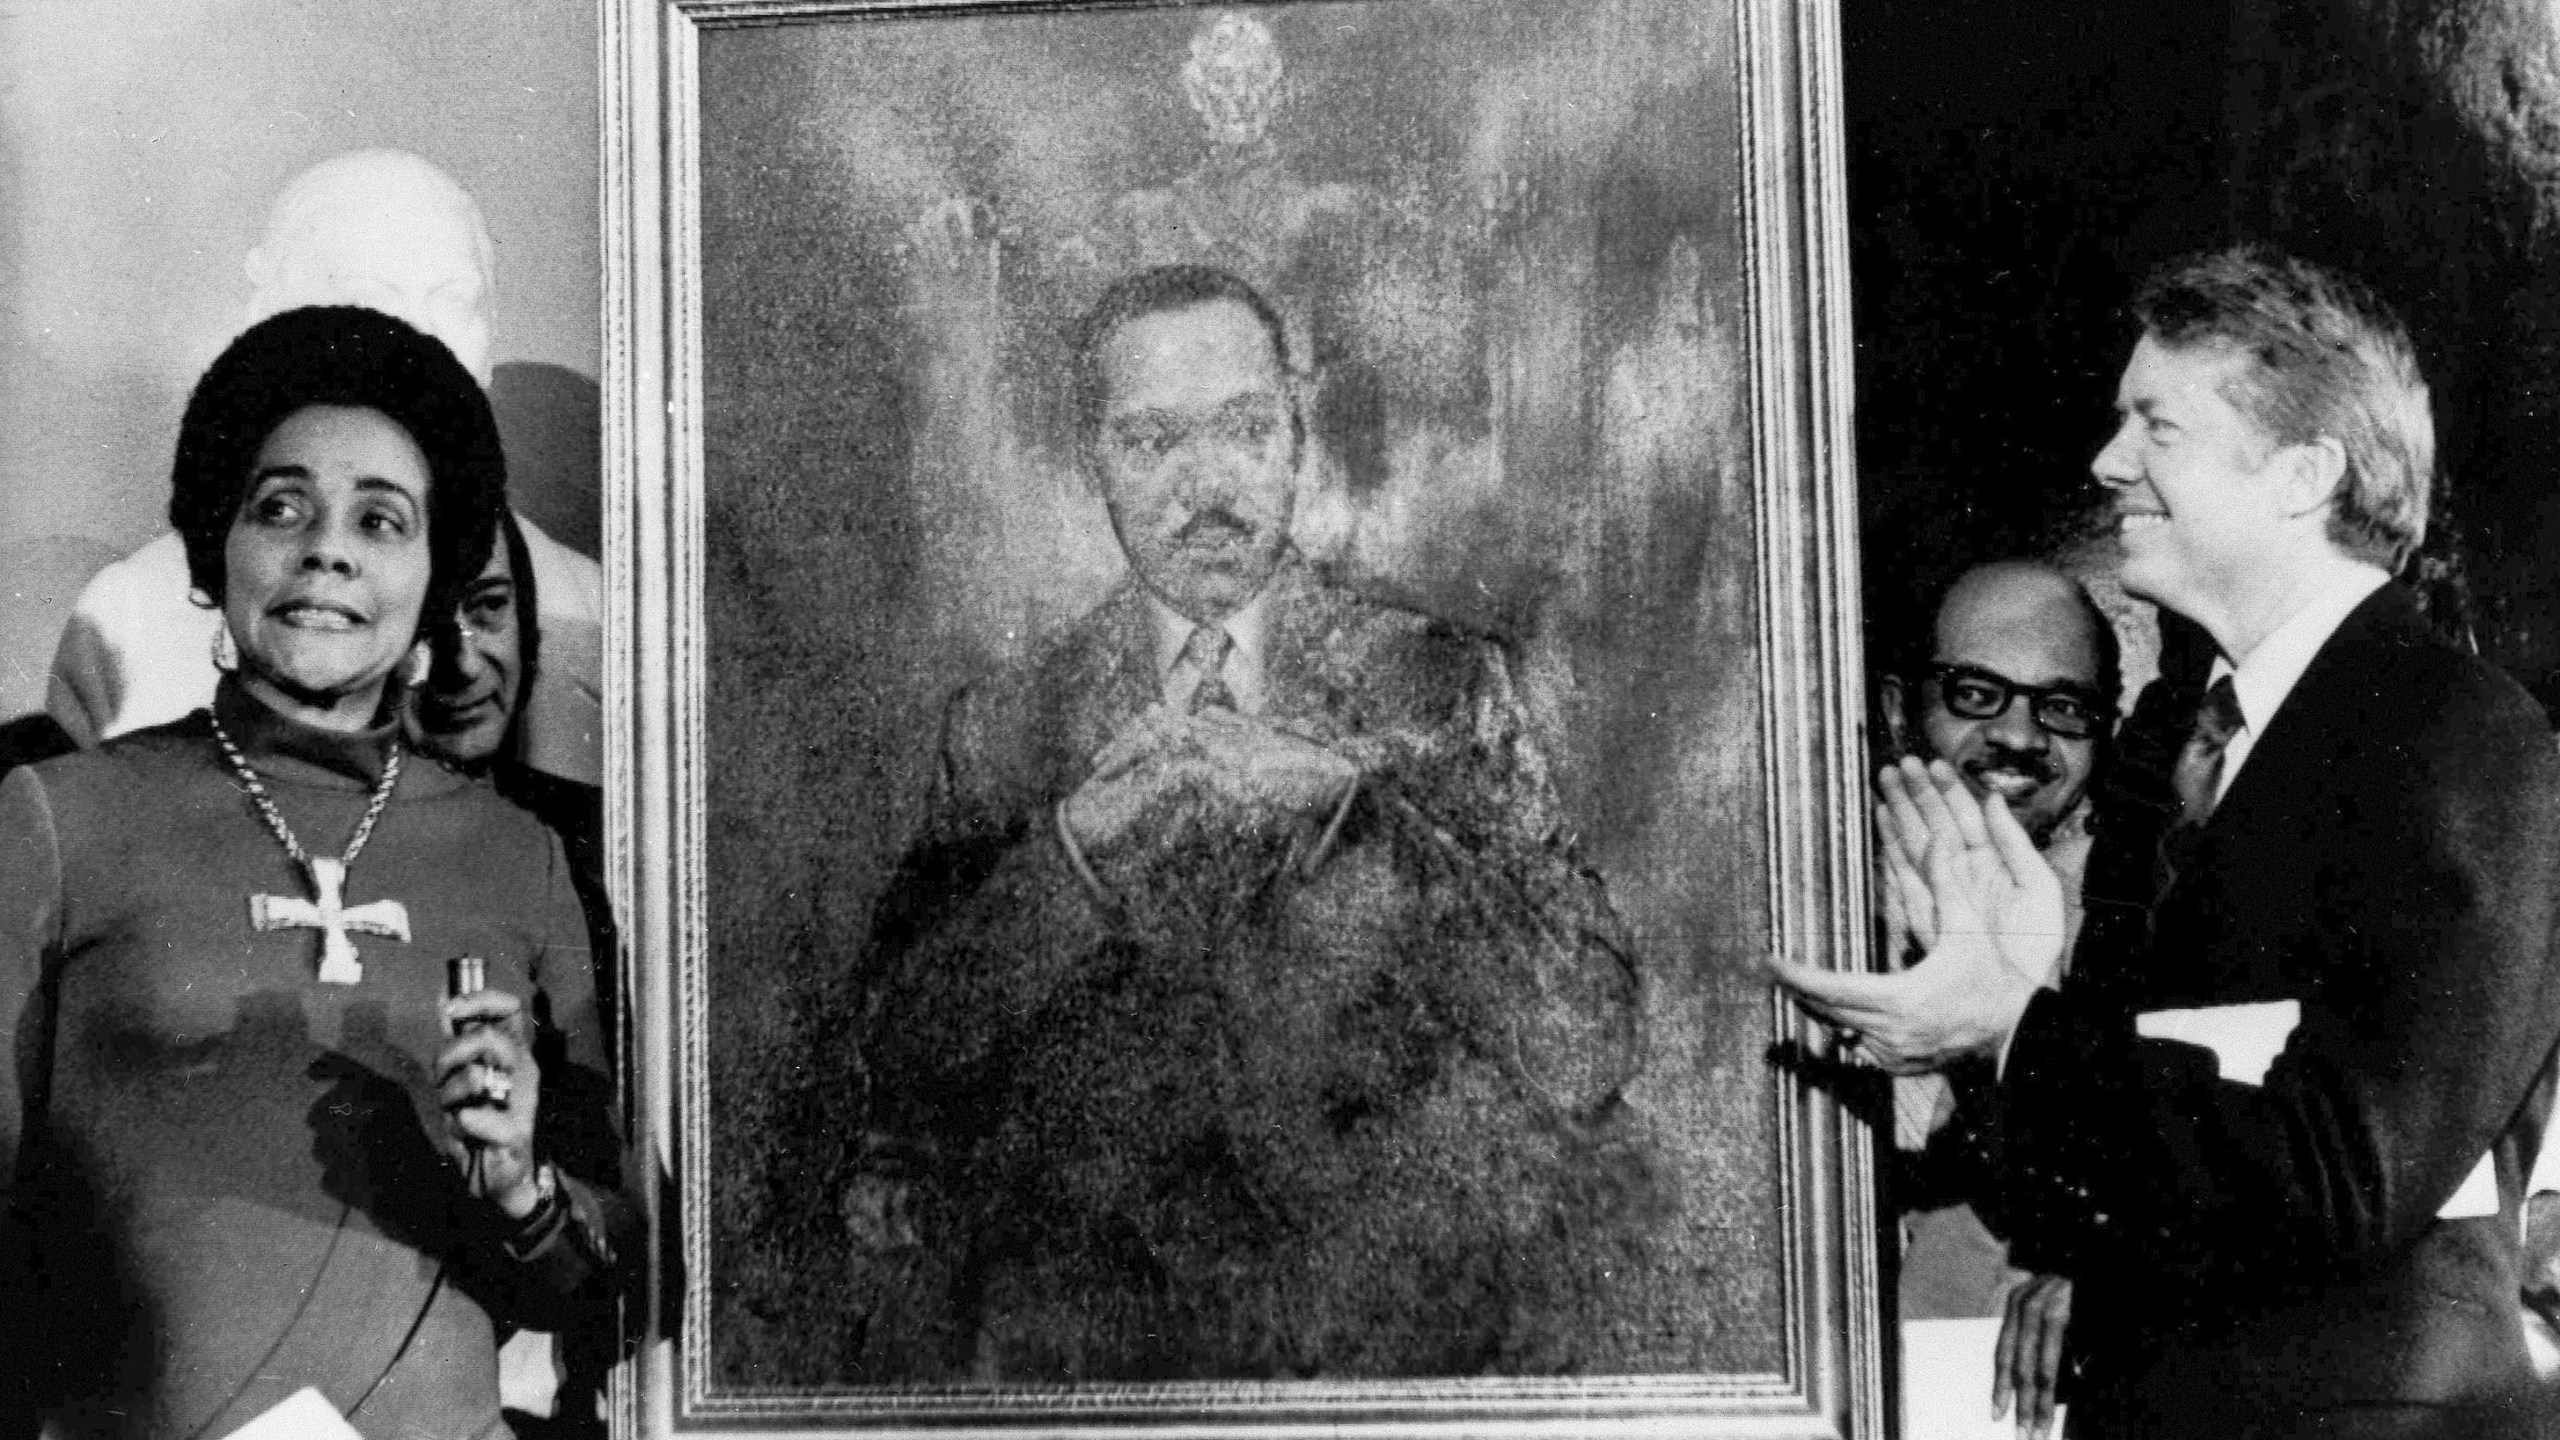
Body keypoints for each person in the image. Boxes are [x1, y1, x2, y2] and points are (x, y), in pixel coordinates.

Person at [1775, 246, 2560, 1437]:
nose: (2109, 464)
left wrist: (2014, 1026)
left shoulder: (2456, 734)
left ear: (2302, 473)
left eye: (2156, 425)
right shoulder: (2186, 750)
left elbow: (2354, 1169)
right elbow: (2079, 1200)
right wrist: (2001, 1007)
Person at [820, 264, 1651, 1381]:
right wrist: (1067, 863)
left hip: (1392, 1359)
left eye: (1243, 430)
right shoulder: (1007, 730)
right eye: (1153, 441)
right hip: (1092, 1368)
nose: (1205, 483)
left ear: (1296, 440)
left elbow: (1586, 1039)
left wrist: (1354, 817)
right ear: (1092, 466)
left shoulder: (1438, 690)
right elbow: (894, 1059)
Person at [0, 307, 633, 1440]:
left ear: (435, 576)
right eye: (279, 505)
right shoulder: (59, 820)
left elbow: (618, 1288)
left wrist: (523, 1189)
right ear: (216, 546)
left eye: (380, 520)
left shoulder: (518, 859)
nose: (325, 548)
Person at [47, 149, 604, 788]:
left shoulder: (592, 611)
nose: (421, 340)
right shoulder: (130, 622)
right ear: (263, 319)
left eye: (455, 300)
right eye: (369, 300)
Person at [1873, 560, 2116, 1438]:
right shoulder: (1810, 882)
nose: (2019, 736)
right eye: (1977, 693)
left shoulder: (2147, 924)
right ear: (1903, 706)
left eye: (2062, 707)